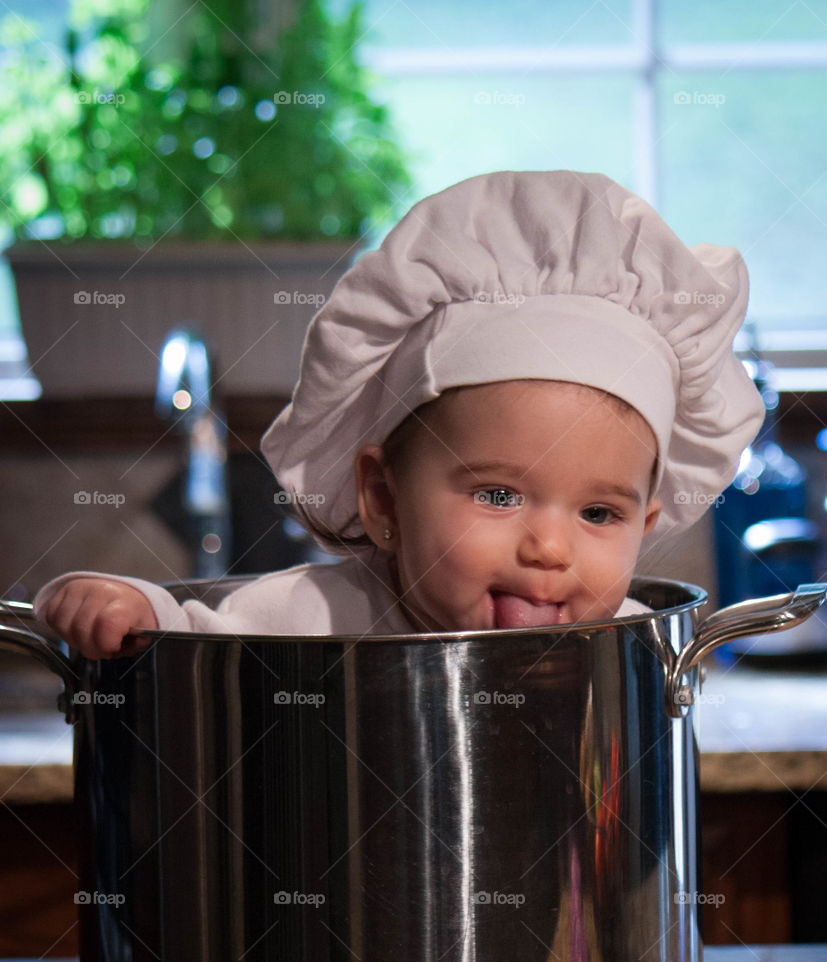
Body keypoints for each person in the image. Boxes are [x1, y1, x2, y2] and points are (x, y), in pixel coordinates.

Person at [34, 170, 763, 658]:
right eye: (497, 495)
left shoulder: (634, 649)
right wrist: (126, 607)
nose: (548, 549)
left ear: (645, 524)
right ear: (382, 498)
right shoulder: (315, 615)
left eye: (598, 514)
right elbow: (197, 641)